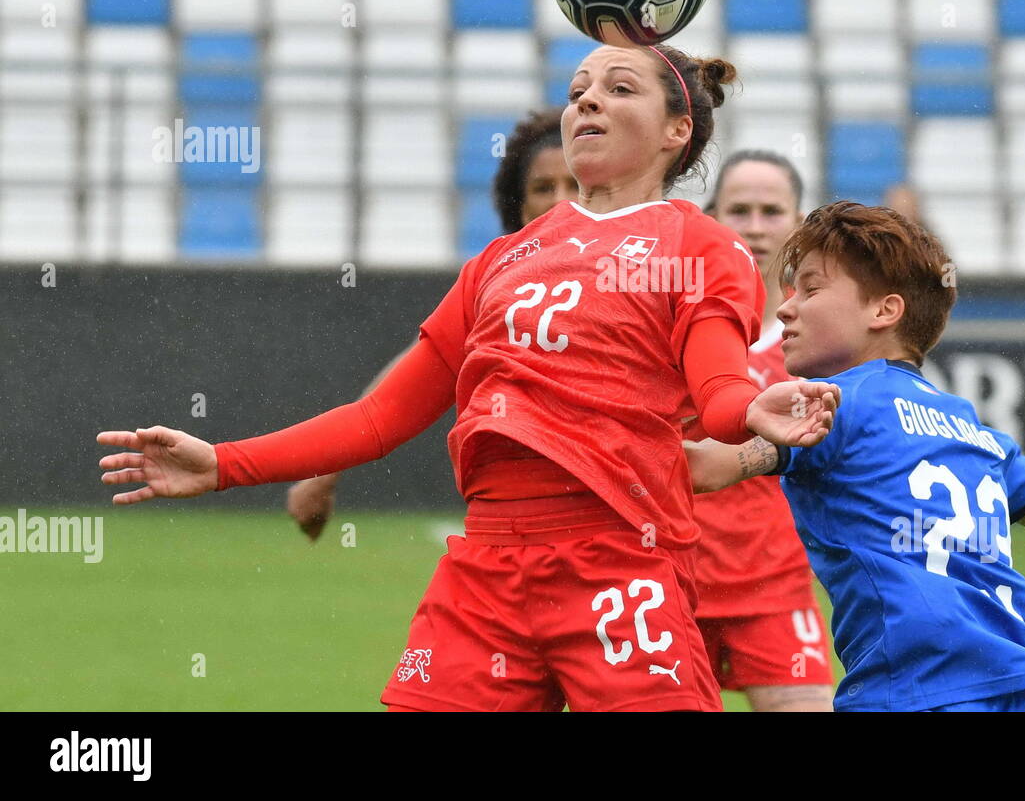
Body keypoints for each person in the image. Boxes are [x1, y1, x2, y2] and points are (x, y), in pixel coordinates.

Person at [97, 42, 842, 712]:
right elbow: (380, 418)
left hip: (619, 565)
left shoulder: (702, 247)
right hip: (486, 569)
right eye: (579, 87)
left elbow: (717, 399)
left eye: (619, 88)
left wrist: (755, 409)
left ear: (678, 131)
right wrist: (224, 463)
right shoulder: (501, 261)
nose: (586, 99)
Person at [685, 202, 1025, 712]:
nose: (786, 307)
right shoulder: (971, 430)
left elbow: (704, 468)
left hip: (918, 689)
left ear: (885, 311)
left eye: (810, 289)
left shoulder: (833, 405)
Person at [287, 108, 579, 540]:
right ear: (517, 207)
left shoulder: (642, 272)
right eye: (542, 188)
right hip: (528, 529)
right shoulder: (498, 289)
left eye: (574, 185)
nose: (560, 201)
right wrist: (323, 472)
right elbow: (403, 389)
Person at [691, 150, 834, 712]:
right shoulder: (671, 326)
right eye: (738, 210)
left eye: (771, 211)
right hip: (673, 585)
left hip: (775, 593)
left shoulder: (824, 343)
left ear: (799, 225)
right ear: (711, 219)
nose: (754, 226)